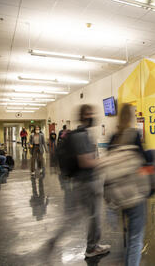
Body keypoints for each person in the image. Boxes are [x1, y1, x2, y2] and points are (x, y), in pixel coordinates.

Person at [48, 105, 110, 258]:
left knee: (75, 216)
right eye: (90, 113)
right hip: (88, 182)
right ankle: (91, 248)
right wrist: (104, 161)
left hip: (80, 181)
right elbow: (85, 162)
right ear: (83, 116)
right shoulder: (81, 135)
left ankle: (56, 238)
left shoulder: (80, 134)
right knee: (94, 216)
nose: (93, 116)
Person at [107, 103, 150, 266]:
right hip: (135, 193)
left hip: (118, 194)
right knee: (135, 238)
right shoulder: (134, 135)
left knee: (127, 236)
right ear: (132, 117)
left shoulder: (113, 137)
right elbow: (144, 162)